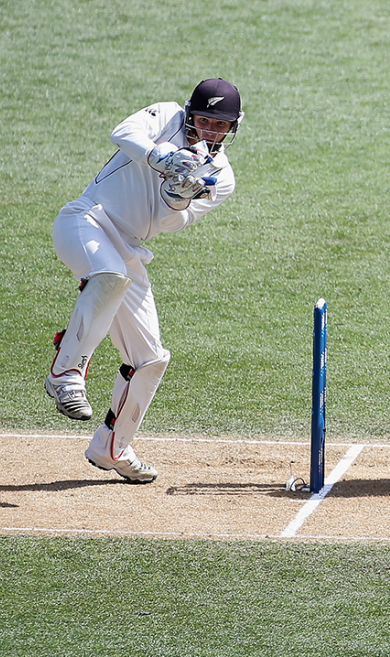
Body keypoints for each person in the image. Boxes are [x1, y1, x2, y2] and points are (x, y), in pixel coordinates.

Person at [45, 78, 243, 482]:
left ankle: (111, 448)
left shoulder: (220, 176)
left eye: (220, 126)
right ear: (190, 114)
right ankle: (65, 372)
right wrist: (163, 159)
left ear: (233, 127)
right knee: (109, 277)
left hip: (129, 249)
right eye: (205, 121)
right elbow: (123, 133)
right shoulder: (165, 115)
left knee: (150, 359)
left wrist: (177, 196)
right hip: (87, 220)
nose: (211, 132)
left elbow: (171, 224)